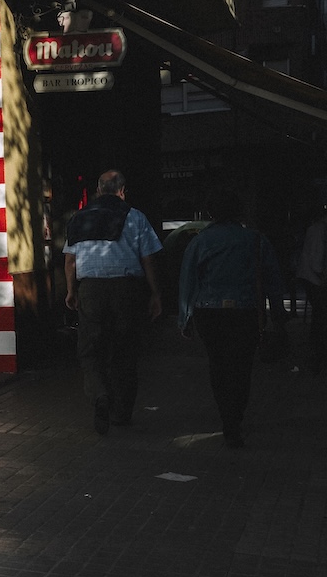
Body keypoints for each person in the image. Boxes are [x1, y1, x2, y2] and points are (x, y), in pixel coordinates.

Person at [177, 190, 286, 448]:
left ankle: (227, 416)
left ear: (211, 212)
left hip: (210, 312)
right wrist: (278, 313)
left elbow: (188, 281)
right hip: (246, 311)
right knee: (242, 366)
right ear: (239, 211)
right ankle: (235, 417)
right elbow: (273, 279)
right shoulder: (256, 240)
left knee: (218, 364)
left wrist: (185, 318)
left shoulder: (200, 242)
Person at [64, 170, 163, 434]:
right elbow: (148, 259)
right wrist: (155, 293)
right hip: (126, 290)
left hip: (91, 290)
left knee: (90, 350)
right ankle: (121, 413)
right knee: (125, 349)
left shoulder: (79, 217)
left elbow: (70, 260)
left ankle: (99, 394)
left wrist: (72, 291)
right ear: (122, 191)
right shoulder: (135, 216)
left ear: (98, 190)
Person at [296, 207, 327, 373]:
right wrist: (321, 274)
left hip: (311, 277)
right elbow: (317, 259)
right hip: (315, 278)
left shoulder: (316, 229)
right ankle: (317, 352)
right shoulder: (319, 230)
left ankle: (317, 352)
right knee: (320, 316)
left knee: (319, 315)